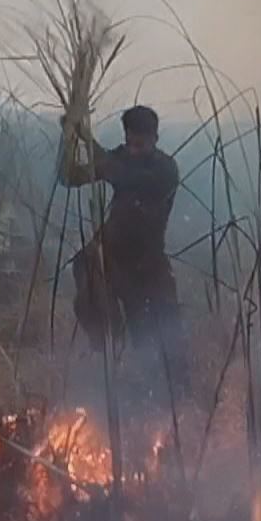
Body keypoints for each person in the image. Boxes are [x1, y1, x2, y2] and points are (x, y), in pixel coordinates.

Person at [60, 105, 181, 353]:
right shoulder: (122, 157)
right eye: (130, 144)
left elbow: (123, 174)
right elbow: (70, 177)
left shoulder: (165, 169)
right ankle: (107, 343)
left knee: (159, 340)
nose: (134, 151)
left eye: (141, 145)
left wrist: (87, 137)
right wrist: (69, 139)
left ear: (155, 140)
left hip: (147, 262)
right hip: (112, 256)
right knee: (87, 281)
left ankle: (163, 383)